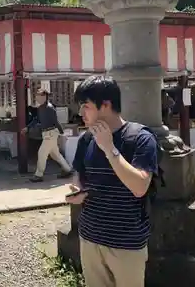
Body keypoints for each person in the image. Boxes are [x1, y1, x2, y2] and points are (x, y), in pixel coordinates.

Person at [65, 76, 159, 287]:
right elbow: (79, 174)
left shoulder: (141, 138)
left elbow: (139, 187)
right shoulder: (86, 139)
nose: (81, 114)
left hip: (126, 244)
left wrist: (109, 149)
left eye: (86, 106)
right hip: (90, 238)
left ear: (106, 105)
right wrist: (77, 189)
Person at [21, 88, 72, 183]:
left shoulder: (49, 108)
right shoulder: (40, 108)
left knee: (42, 153)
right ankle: (67, 170)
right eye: (37, 96)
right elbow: (37, 120)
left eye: (40, 96)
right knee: (55, 154)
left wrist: (61, 132)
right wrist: (28, 127)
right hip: (46, 134)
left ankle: (38, 175)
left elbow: (55, 121)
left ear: (45, 97)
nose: (38, 98)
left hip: (50, 133)